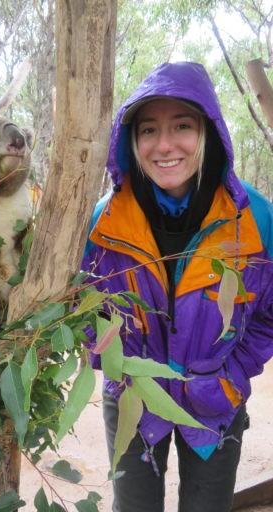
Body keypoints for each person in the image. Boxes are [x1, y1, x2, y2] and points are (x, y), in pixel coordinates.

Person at [81, 61, 273, 512]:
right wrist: (116, 363)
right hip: (134, 399)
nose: (164, 145)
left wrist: (234, 373)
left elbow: (269, 313)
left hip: (214, 400)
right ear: (132, 141)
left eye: (181, 126)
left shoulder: (255, 219)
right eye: (148, 130)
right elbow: (83, 309)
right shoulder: (103, 221)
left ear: (208, 132)